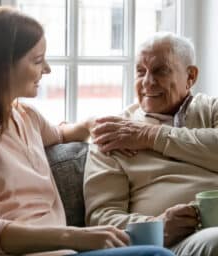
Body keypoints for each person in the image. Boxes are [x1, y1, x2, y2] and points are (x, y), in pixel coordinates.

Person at [0, 6, 175, 256]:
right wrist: (76, 235)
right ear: (3, 65)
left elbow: (63, 134)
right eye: (38, 60)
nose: (48, 69)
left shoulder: (27, 117)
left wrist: (92, 125)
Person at [84, 32, 218, 256]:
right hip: (172, 243)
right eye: (140, 71)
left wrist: (151, 135)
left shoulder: (211, 109)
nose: (147, 82)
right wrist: (158, 225)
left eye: (160, 70)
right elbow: (101, 217)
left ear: (191, 76)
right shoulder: (114, 135)